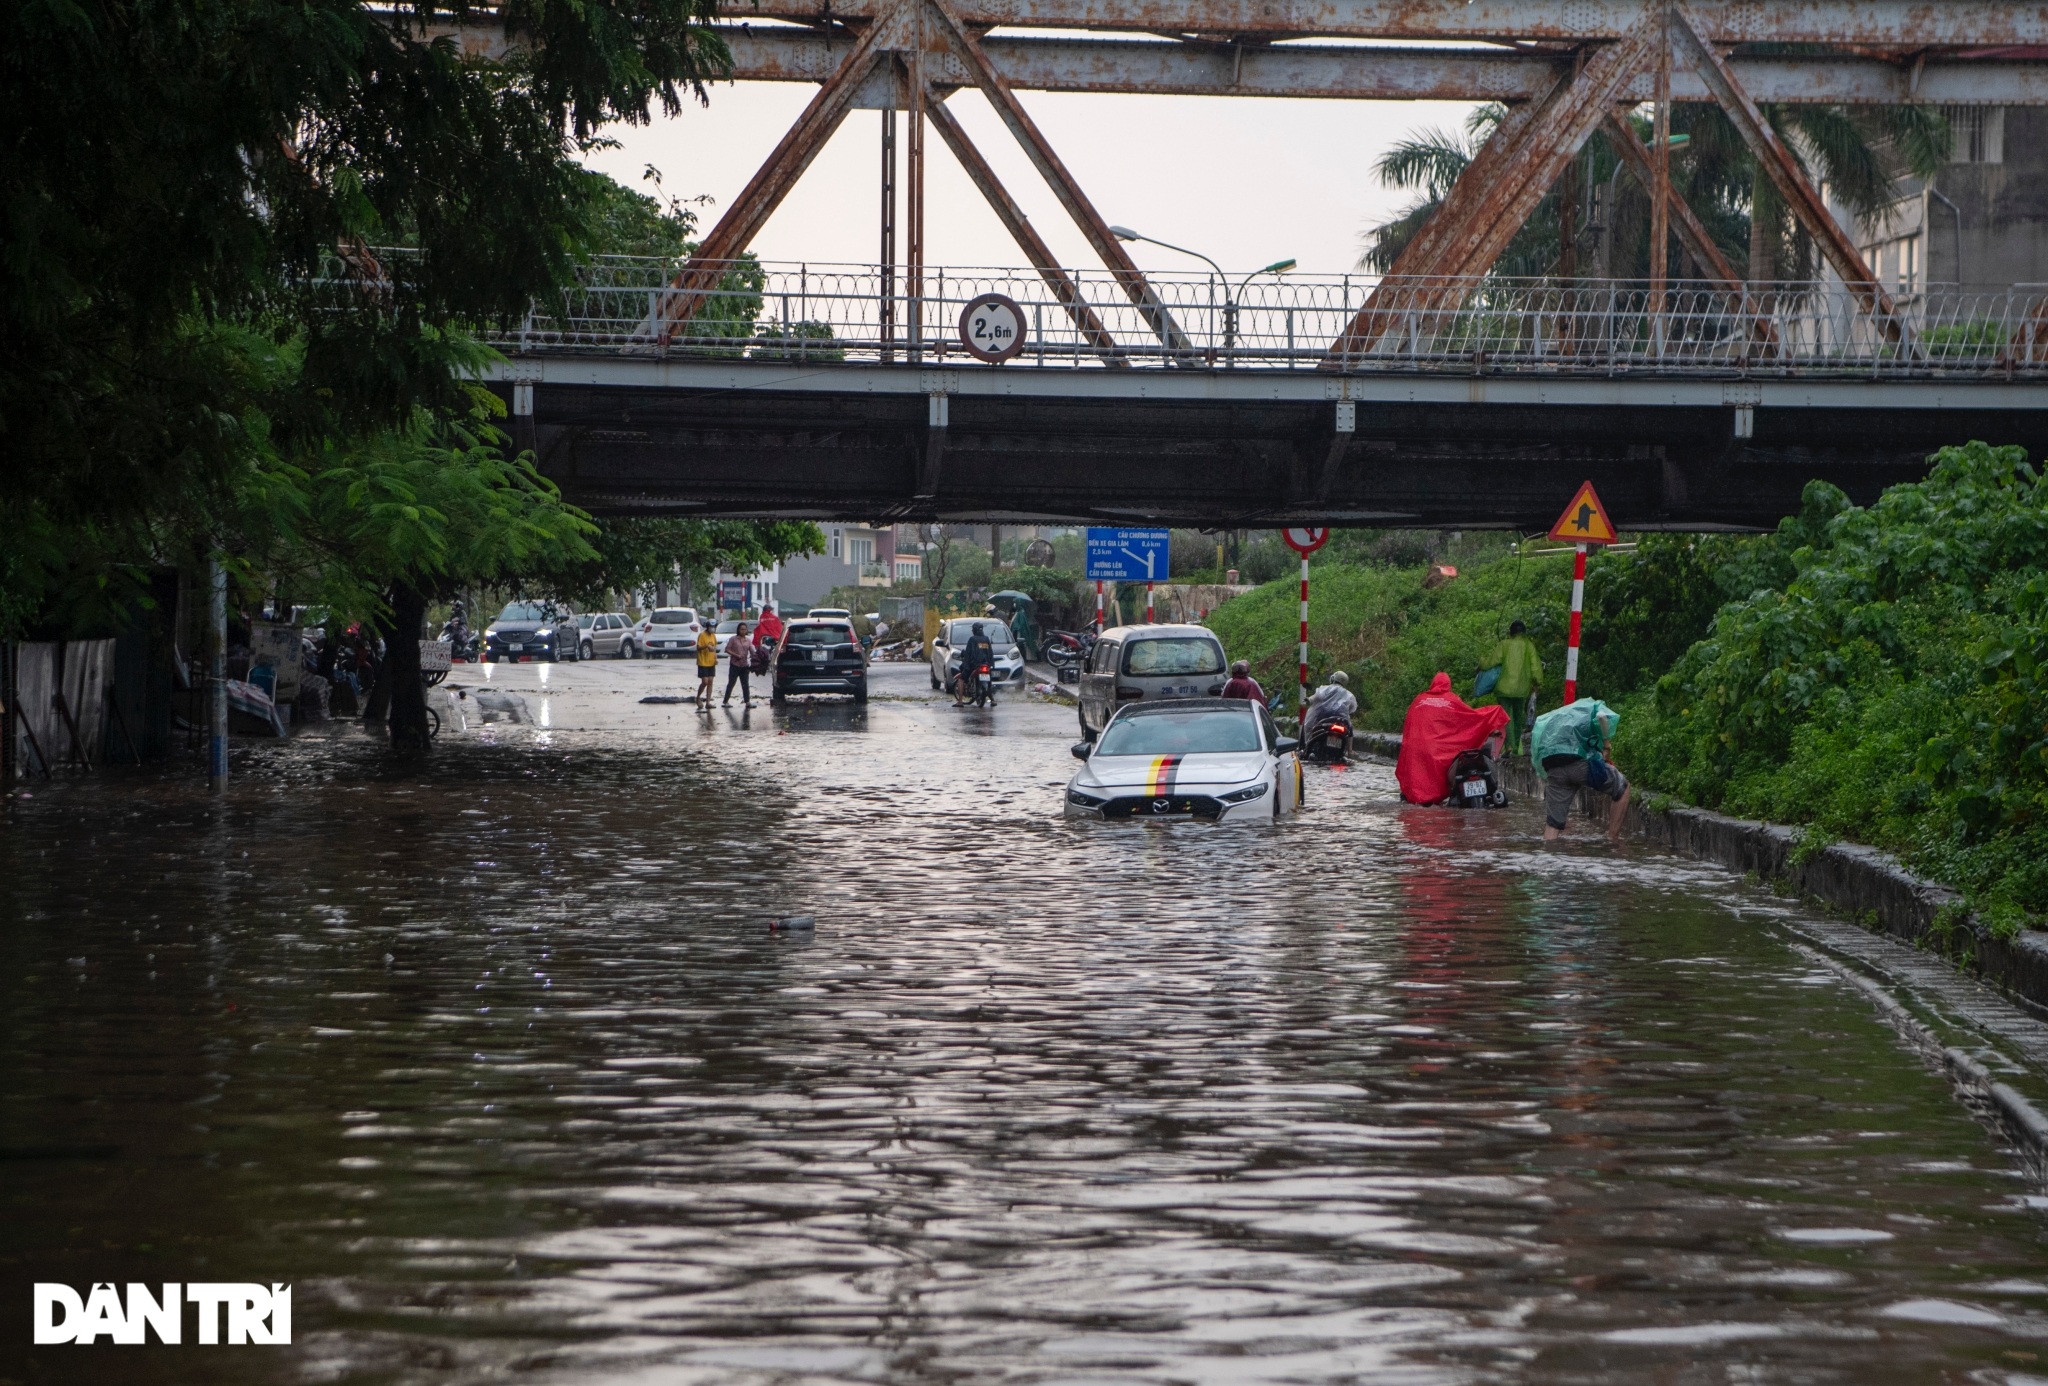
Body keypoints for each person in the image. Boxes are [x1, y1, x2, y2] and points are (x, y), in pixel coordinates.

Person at [1395, 672, 1508, 805]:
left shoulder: (1419, 701)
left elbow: (1409, 729)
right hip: (1441, 751)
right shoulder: (1451, 700)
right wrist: (1493, 716)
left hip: (1419, 751)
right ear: (1448, 685)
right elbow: (1468, 717)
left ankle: (1419, 796)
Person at [1531, 696, 1629, 843]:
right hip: (1579, 766)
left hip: (1553, 769)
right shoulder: (1594, 707)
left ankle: (1548, 856)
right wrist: (1606, 744)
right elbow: (1602, 716)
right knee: (1622, 787)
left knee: (1553, 824)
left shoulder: (1557, 718)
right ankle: (1613, 839)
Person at [1485, 620, 1545, 755]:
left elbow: (1491, 662)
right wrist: (1537, 682)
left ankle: (1509, 746)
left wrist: (1481, 664)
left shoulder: (1504, 645)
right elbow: (1535, 667)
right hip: (1521, 689)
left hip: (1503, 689)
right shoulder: (1529, 646)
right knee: (1518, 718)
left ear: (1510, 633)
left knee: (1505, 717)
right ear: (1523, 632)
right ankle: (1516, 746)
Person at [955, 621, 997, 706]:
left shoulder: (972, 639)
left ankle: (960, 701)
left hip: (974, 665)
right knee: (989, 681)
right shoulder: (986, 639)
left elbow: (968, 654)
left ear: (974, 630)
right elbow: (990, 653)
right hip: (986, 664)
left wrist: (965, 665)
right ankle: (992, 700)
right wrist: (990, 664)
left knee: (961, 679)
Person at [723, 622, 754, 706]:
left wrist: (755, 657)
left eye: (745, 629)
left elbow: (752, 650)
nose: (743, 631)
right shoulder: (733, 639)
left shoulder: (748, 640)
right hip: (735, 664)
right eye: (741, 629)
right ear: (738, 630)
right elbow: (727, 649)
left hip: (744, 665)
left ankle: (747, 701)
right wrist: (736, 655)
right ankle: (725, 701)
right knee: (731, 683)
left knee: (745, 684)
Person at [694, 623, 719, 707]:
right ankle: (698, 698)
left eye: (714, 627)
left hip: (711, 661)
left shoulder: (713, 636)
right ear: (707, 627)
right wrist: (706, 646)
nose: (712, 628)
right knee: (705, 682)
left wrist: (715, 658)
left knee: (710, 682)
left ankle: (708, 702)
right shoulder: (702, 635)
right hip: (703, 662)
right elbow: (698, 647)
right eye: (711, 627)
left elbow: (714, 648)